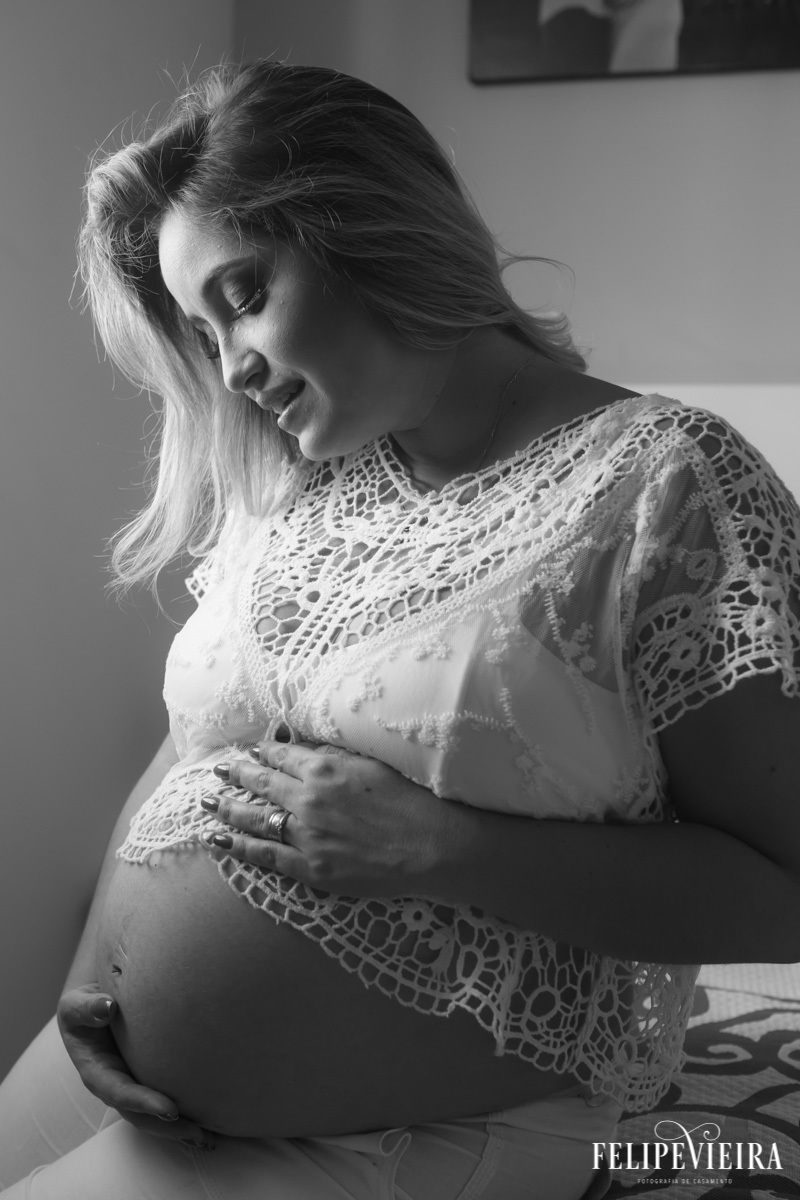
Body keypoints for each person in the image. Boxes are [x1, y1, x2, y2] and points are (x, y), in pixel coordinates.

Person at [1, 59, 798, 1200]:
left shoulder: (663, 487)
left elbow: (784, 888)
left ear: (366, 228)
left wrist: (436, 848)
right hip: (124, 1065)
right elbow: (196, 750)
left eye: (241, 296)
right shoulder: (308, 481)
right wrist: (95, 992)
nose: (229, 369)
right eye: (198, 329)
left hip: (426, 1125)